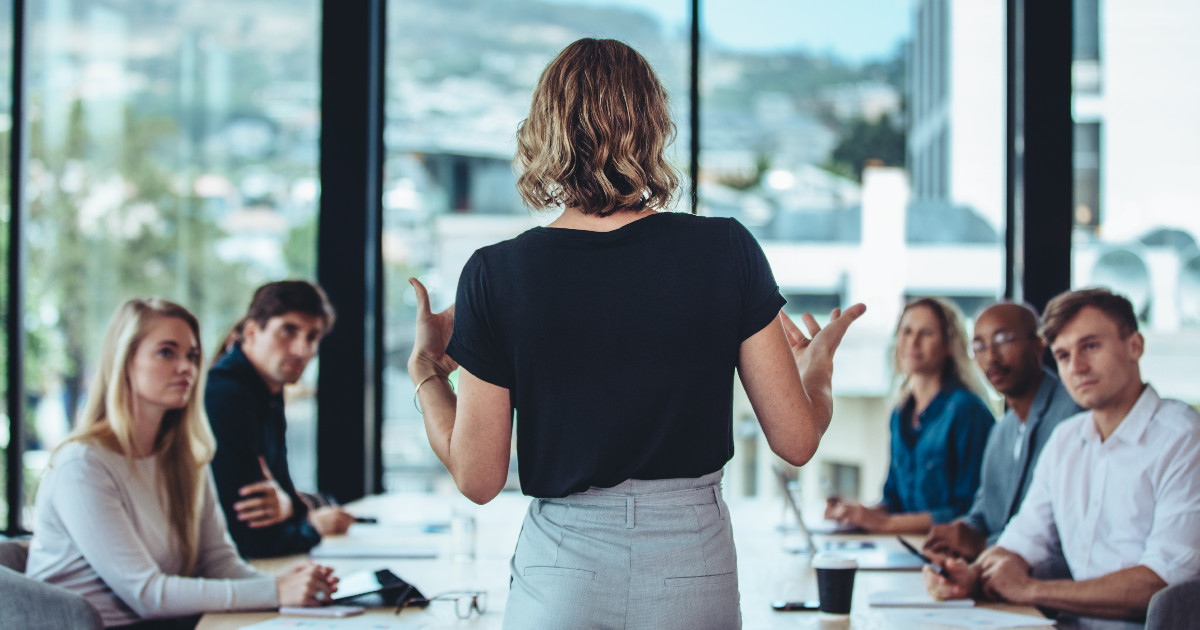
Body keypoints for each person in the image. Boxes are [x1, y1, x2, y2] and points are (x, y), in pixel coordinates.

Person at [407, 38, 864, 629]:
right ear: (652, 126)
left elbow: (478, 477)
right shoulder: (725, 249)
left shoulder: (495, 274)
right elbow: (797, 442)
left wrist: (425, 368)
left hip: (562, 572)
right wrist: (817, 370)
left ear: (544, 132)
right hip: (691, 562)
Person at [25, 298, 336, 629]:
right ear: (125, 361)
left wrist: (290, 583)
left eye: (192, 356)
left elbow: (219, 563)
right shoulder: (83, 464)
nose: (186, 367)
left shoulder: (185, 456)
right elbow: (146, 594)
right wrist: (274, 590)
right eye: (166, 352)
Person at [926, 288, 1200, 624]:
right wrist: (972, 575)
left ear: (1135, 346)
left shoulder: (1183, 438)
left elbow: (1161, 584)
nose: (1078, 367)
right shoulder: (1066, 439)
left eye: (1090, 346)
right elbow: (1021, 540)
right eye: (1064, 356)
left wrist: (1031, 590)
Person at [922, 302, 1081, 562]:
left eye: (1003, 340)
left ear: (1039, 344)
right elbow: (982, 514)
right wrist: (960, 533)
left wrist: (983, 544)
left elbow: (1061, 533)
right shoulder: (1001, 430)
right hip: (995, 575)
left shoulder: (1073, 416)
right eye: (979, 346)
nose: (991, 357)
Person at [207, 281, 355, 559]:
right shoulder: (225, 395)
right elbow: (249, 537)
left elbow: (284, 493)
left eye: (312, 337)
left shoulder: (267, 392)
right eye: (288, 331)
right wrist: (313, 525)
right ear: (251, 331)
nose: (302, 350)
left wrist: (290, 506)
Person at [825, 297, 994, 533]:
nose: (913, 342)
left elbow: (969, 511)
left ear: (948, 344)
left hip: (948, 555)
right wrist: (857, 513)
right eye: (906, 331)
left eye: (925, 333)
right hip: (905, 547)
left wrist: (884, 524)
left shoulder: (968, 411)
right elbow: (893, 501)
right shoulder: (900, 414)